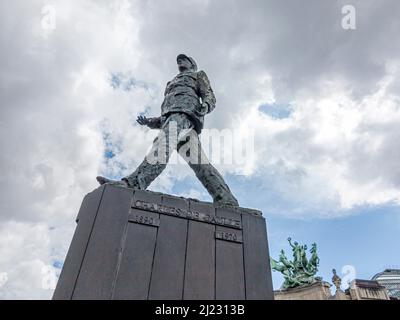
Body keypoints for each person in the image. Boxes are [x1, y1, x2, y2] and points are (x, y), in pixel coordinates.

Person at [96, 54, 239, 207]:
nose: (180, 62)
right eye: (178, 60)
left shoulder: (198, 75)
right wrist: (150, 121)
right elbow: (168, 112)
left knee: (162, 145)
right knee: (201, 164)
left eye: (183, 59)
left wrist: (206, 105)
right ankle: (226, 199)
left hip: (186, 116)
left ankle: (133, 184)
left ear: (192, 64)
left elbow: (209, 95)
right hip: (175, 119)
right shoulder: (170, 83)